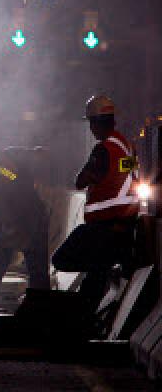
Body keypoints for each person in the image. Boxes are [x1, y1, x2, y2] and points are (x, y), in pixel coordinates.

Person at [52, 95, 140, 313]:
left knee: (61, 259)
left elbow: (80, 181)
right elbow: (122, 177)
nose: (91, 130)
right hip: (126, 228)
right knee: (93, 285)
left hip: (103, 229)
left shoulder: (103, 150)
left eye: (91, 123)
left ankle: (102, 269)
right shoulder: (128, 147)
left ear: (96, 122)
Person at [0, 142, 50, 318]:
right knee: (2, 262)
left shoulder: (4, 168)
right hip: (12, 222)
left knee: (34, 267)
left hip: (28, 219)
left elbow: (16, 181)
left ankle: (39, 309)